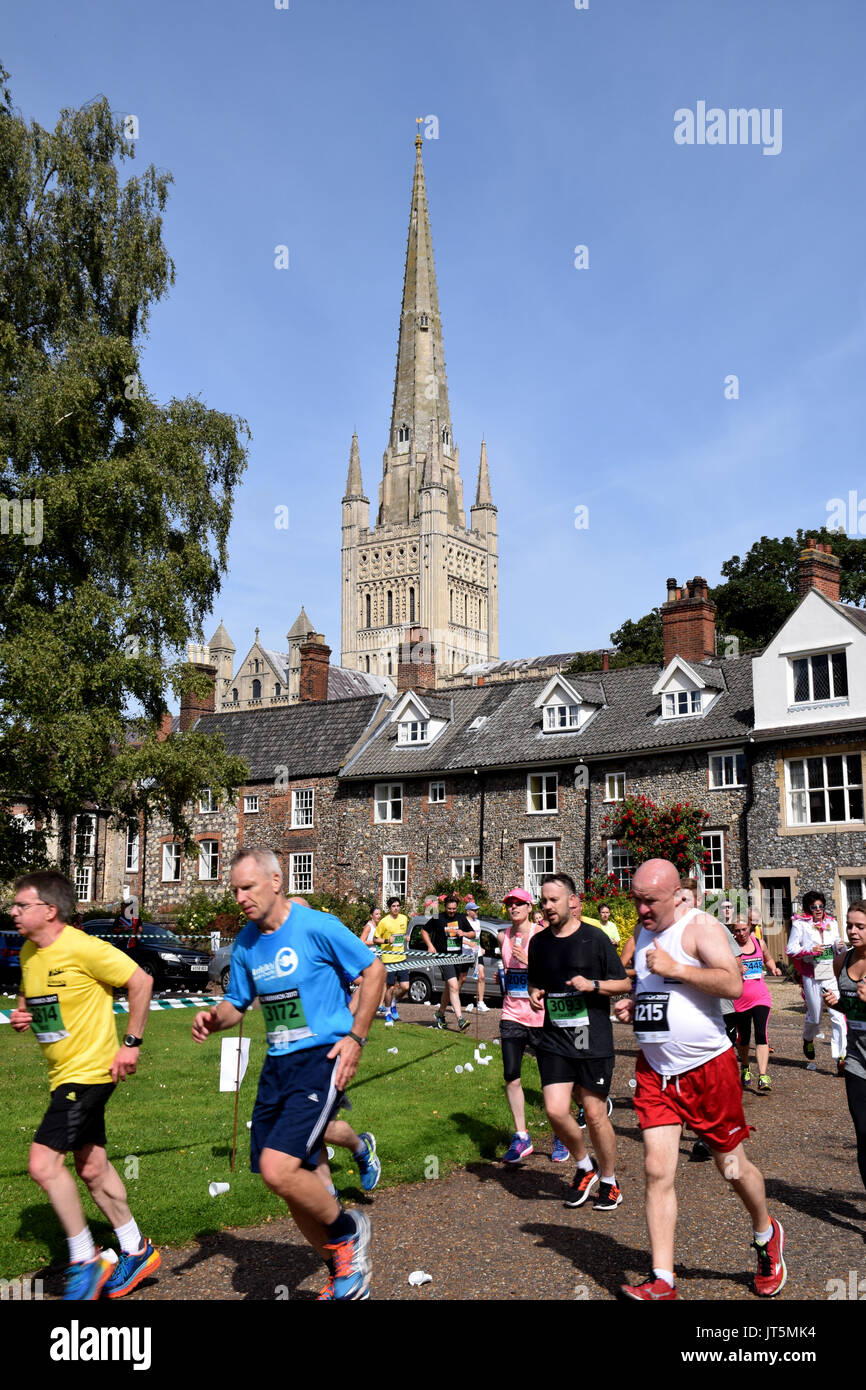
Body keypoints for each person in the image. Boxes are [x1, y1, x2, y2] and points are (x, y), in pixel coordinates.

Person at [192, 849, 385, 1301]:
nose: (240, 897)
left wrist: (356, 1038)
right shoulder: (244, 943)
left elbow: (373, 970)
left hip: (321, 1059)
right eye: (235, 890)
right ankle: (344, 1274)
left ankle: (347, 1232)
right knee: (292, 1183)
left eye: (248, 887)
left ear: (276, 881)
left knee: (277, 1169)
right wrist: (212, 1019)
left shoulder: (316, 926)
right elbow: (237, 1003)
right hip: (276, 1067)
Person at [614, 859, 787, 1301]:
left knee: (731, 1167)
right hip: (655, 1071)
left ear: (676, 895)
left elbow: (732, 984)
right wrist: (635, 1005)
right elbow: (654, 991)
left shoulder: (701, 927)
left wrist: (678, 969)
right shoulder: (643, 932)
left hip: (707, 1070)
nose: (641, 909)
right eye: (635, 899)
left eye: (649, 901)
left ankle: (766, 1233)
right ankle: (663, 1279)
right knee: (656, 1170)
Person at [9, 871, 160, 1300]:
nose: (14, 912)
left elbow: (141, 981)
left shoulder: (84, 947)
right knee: (92, 1168)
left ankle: (84, 1259)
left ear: (50, 910)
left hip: (90, 1072)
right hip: (65, 1074)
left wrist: (131, 1043)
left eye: (22, 906)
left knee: (42, 1164)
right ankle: (135, 1249)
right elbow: (30, 1004)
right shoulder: (28, 952)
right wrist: (24, 1017)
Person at [528, 874, 630, 1211]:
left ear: (572, 901)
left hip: (591, 1036)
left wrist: (593, 985)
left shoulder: (595, 939)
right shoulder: (539, 942)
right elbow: (535, 983)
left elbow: (622, 984)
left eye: (553, 900)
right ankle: (585, 1166)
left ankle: (610, 1181)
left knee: (594, 1112)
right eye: (543, 900)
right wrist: (535, 994)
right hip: (555, 1035)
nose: (547, 906)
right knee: (556, 1110)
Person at [496, 887, 554, 1161]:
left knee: (551, 1080)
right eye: (510, 904)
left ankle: (561, 1135)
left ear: (530, 907)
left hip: (540, 1015)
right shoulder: (502, 936)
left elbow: (554, 973)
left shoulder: (542, 935)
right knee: (511, 1074)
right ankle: (522, 1136)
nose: (514, 908)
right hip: (512, 1013)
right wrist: (505, 979)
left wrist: (528, 961)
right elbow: (508, 971)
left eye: (519, 903)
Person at [825, 900, 866, 1193]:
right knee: (863, 1135)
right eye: (849, 925)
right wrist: (837, 1003)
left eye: (860, 926)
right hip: (856, 1062)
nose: (852, 931)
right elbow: (851, 1009)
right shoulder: (841, 961)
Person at [787, 890, 847, 1074]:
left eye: (821, 906)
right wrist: (810, 949)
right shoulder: (800, 925)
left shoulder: (832, 923)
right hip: (811, 975)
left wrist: (840, 945)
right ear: (808, 908)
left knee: (838, 1015)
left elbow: (838, 943)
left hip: (829, 974)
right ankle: (808, 1038)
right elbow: (791, 949)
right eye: (814, 907)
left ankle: (841, 1058)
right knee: (815, 1017)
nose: (818, 910)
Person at [731, 916, 782, 1092]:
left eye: (744, 929)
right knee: (744, 1037)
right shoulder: (730, 947)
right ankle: (745, 1067)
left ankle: (763, 1075)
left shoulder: (759, 942)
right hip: (739, 999)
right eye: (737, 930)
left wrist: (773, 967)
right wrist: (735, 969)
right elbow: (721, 968)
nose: (741, 933)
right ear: (733, 931)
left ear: (749, 927)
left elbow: (768, 959)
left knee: (761, 1033)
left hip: (761, 997)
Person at [421, 893, 474, 1032]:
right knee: (454, 986)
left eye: (454, 909)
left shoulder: (462, 918)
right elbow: (424, 931)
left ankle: (440, 1014)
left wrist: (464, 933)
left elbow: (473, 934)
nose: (452, 911)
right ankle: (460, 1019)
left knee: (449, 988)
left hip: (457, 957)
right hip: (444, 957)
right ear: (445, 907)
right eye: (449, 908)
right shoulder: (438, 917)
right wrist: (430, 946)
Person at [375, 896, 410, 1025]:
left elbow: (401, 935)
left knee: (405, 987)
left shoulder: (404, 918)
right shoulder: (384, 922)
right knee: (389, 988)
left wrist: (405, 937)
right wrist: (386, 940)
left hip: (401, 957)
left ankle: (394, 1001)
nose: (396, 908)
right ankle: (388, 1012)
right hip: (388, 959)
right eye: (393, 906)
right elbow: (375, 939)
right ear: (389, 908)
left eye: (398, 906)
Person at [463, 900, 489, 1012]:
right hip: (465, 953)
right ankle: (453, 1000)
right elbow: (458, 938)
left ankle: (481, 1002)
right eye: (474, 910)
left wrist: (480, 947)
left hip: (476, 952)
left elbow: (477, 937)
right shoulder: (463, 922)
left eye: (477, 909)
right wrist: (469, 943)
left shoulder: (477, 922)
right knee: (461, 979)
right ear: (468, 911)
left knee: (481, 976)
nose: (476, 911)